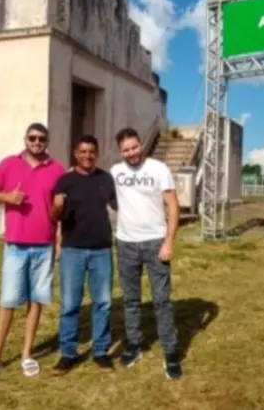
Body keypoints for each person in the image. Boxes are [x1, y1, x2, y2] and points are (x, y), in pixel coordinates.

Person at [0, 123, 65, 384]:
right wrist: (7, 198)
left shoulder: (56, 169)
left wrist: (59, 238)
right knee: (8, 301)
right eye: (32, 138)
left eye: (41, 138)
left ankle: (27, 354)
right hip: (15, 245)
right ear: (25, 139)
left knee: (36, 300)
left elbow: (58, 209)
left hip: (44, 245)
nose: (37, 142)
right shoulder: (8, 164)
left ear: (47, 141)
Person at [110, 127, 183, 380]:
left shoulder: (158, 169)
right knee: (130, 300)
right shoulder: (115, 173)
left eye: (135, 147)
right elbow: (111, 200)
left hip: (155, 244)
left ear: (141, 144)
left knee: (162, 300)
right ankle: (134, 345)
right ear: (120, 152)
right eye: (126, 150)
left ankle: (171, 352)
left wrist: (168, 242)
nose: (132, 153)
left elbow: (173, 206)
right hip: (126, 244)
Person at [48, 135, 117, 376]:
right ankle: (68, 354)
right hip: (72, 250)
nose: (87, 156)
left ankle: (100, 352)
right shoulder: (65, 181)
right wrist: (57, 206)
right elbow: (54, 216)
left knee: (103, 303)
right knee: (70, 304)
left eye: (91, 152)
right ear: (75, 154)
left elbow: (120, 205)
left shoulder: (106, 179)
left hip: (101, 250)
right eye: (83, 151)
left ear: (96, 154)